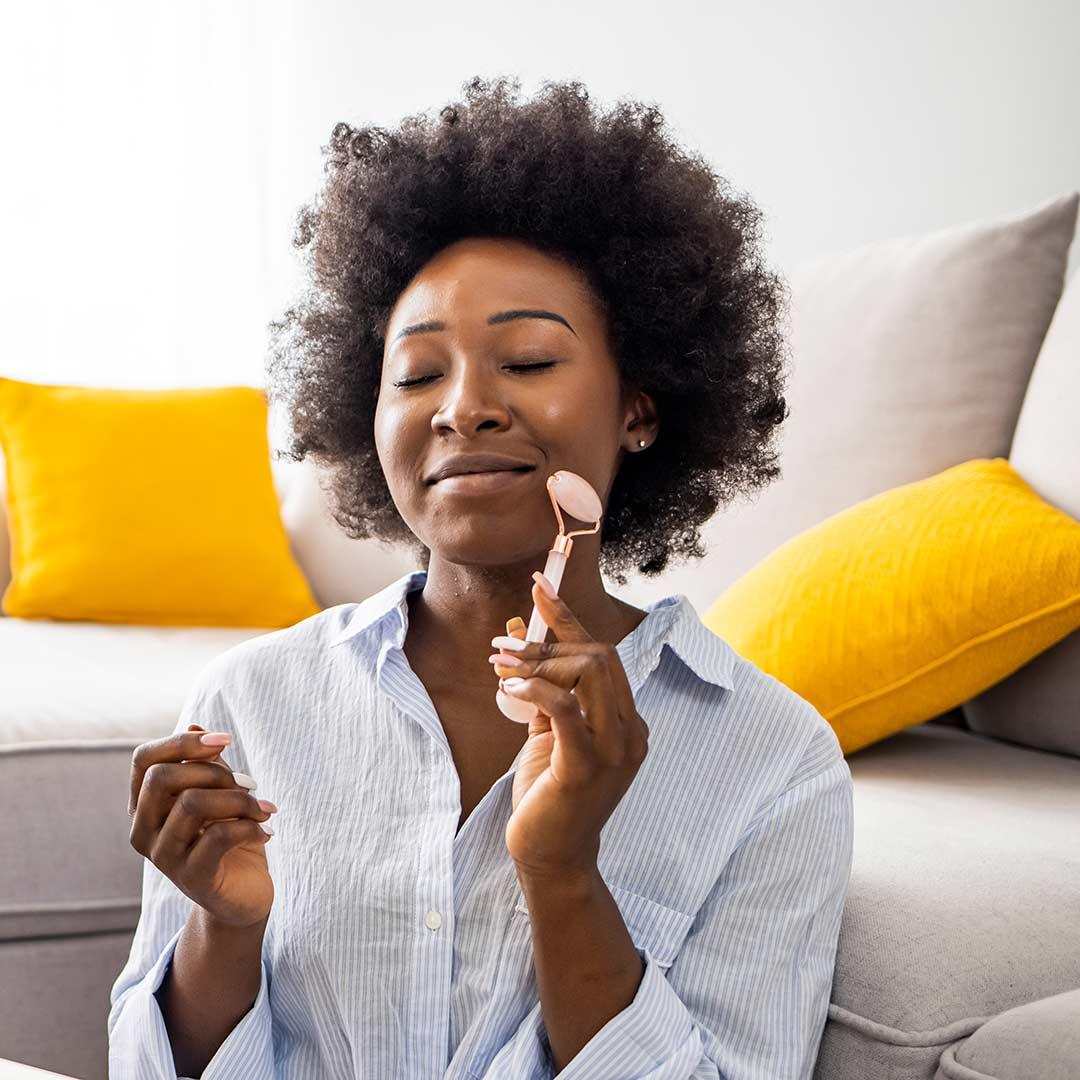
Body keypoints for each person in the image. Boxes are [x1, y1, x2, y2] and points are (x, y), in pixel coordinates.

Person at [109, 75, 853, 1079]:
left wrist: (562, 872)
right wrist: (225, 932)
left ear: (640, 407)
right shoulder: (251, 702)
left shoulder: (771, 759)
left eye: (530, 361)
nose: (462, 408)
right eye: (416, 375)